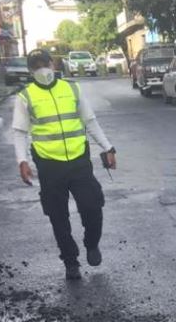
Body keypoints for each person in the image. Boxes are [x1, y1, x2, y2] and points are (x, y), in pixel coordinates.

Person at [12, 48, 117, 281]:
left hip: (79, 160)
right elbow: (19, 132)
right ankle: (70, 262)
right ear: (30, 70)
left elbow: (90, 121)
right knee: (58, 217)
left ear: (53, 63)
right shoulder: (26, 96)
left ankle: (92, 243)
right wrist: (22, 161)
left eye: (44, 63)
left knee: (92, 206)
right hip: (49, 165)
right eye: (36, 66)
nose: (42, 69)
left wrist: (107, 148)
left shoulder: (71, 88)